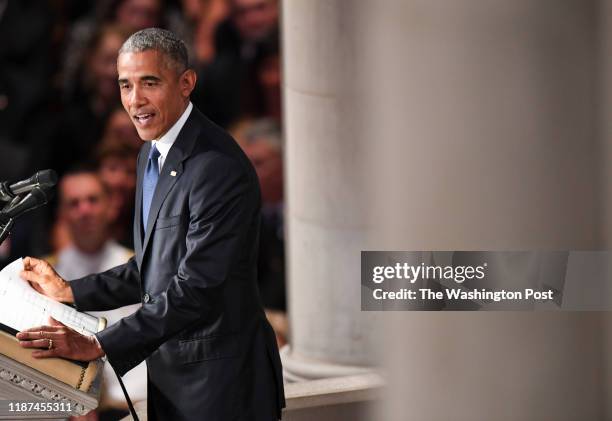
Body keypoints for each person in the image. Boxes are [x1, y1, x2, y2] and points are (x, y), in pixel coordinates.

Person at [17, 28, 285, 421]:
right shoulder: (150, 154)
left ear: (186, 83)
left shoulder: (218, 167)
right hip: (172, 382)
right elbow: (154, 265)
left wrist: (98, 343)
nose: (134, 100)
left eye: (150, 83)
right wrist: (70, 290)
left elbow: (196, 288)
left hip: (222, 388)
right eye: (125, 85)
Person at [46, 168, 146, 420]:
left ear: (111, 206)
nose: (85, 210)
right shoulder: (47, 274)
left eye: (92, 200)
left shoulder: (140, 269)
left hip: (142, 402)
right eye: (74, 203)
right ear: (62, 214)